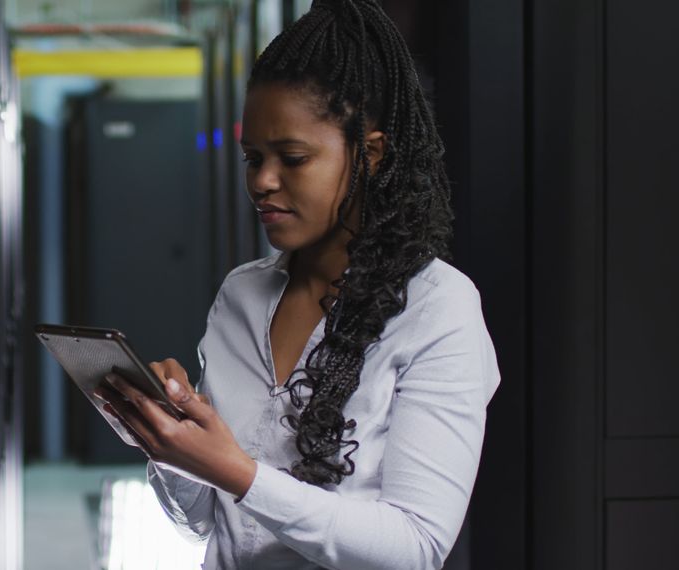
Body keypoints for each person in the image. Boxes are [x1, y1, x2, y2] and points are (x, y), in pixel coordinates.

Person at [95, 0, 501, 568]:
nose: (262, 181)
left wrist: (235, 471)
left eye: (292, 157)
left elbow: (416, 547)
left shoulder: (438, 308)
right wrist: (168, 445)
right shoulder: (240, 295)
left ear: (372, 154)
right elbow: (204, 521)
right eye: (252, 157)